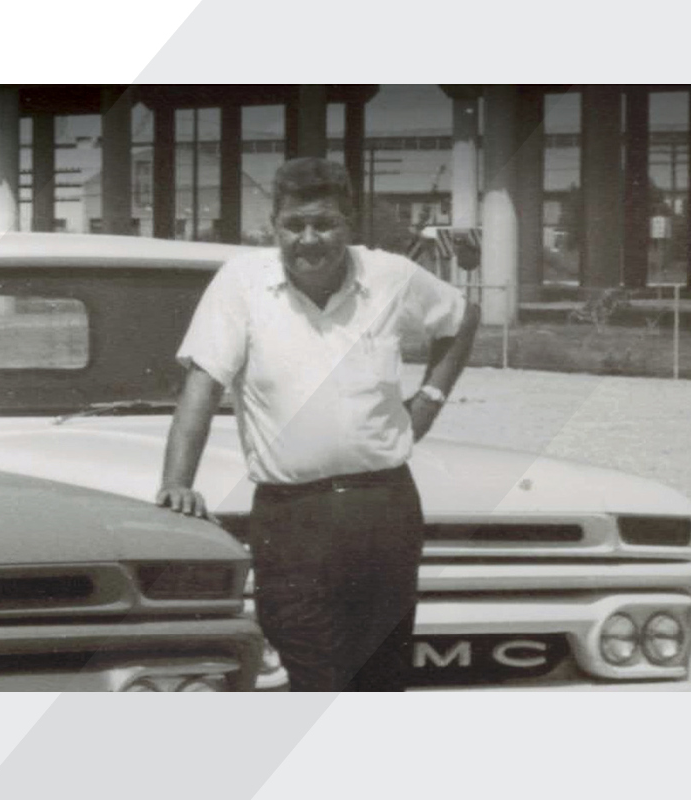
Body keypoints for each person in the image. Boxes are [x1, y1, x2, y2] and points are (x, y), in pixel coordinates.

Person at [157, 157, 479, 692]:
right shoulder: (242, 283)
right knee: (312, 671)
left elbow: (462, 317)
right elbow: (203, 385)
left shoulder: (390, 276)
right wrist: (176, 482)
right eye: (294, 225)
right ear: (274, 226)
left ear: (349, 224)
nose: (309, 239)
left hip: (384, 508)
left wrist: (429, 398)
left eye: (324, 224)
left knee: (380, 677)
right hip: (291, 517)